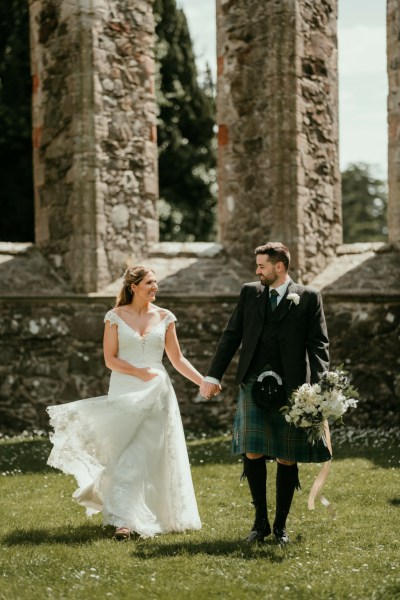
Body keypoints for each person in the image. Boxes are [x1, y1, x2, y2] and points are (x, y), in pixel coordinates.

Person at [47, 266, 203, 540]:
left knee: (151, 453)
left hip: (158, 392)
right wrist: (138, 372)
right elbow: (110, 359)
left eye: (155, 283)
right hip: (125, 386)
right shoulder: (115, 317)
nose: (155, 287)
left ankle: (154, 514)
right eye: (150, 283)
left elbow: (177, 359)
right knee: (127, 453)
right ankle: (124, 520)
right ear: (134, 287)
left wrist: (202, 381)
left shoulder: (166, 317)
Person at [200, 242, 331, 545]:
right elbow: (232, 334)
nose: (256, 271)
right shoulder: (250, 292)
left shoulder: (309, 298)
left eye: (261, 266)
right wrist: (212, 375)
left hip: (292, 386)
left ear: (279, 267)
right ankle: (260, 522)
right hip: (253, 381)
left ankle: (280, 526)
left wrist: (324, 386)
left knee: (287, 455)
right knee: (253, 449)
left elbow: (318, 345)